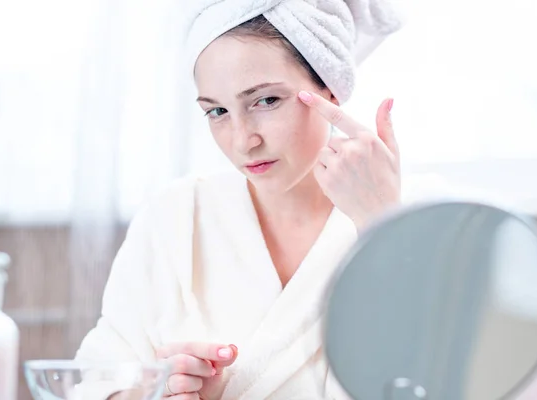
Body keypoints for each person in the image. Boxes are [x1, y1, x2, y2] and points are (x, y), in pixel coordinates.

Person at [74, 0, 404, 398]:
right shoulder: (175, 217)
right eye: (217, 111)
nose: (243, 140)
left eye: (266, 101)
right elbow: (98, 380)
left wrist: (384, 228)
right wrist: (155, 392)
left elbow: (454, 378)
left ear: (330, 89)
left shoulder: (415, 219)